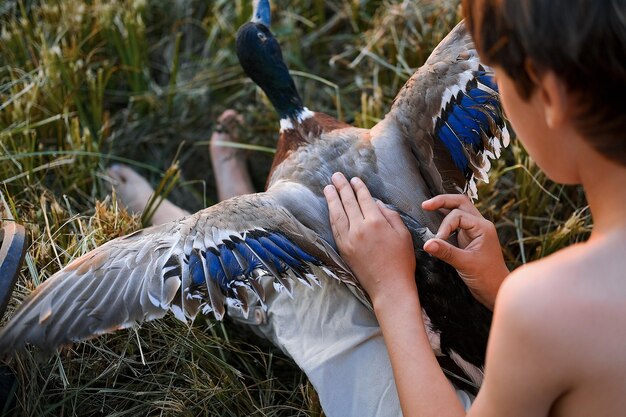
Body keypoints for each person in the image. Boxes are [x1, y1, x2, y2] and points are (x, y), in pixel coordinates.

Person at [323, 0, 626, 416]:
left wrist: (391, 293)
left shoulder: (544, 305)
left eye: (498, 72)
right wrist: (499, 284)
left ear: (549, 94)